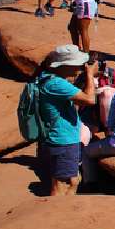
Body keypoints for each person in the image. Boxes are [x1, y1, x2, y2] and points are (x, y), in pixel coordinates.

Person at [34, 45, 97, 196]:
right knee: (63, 183)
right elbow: (90, 99)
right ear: (63, 66)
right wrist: (90, 74)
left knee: (72, 180)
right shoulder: (57, 84)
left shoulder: (49, 79)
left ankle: (62, 207)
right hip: (63, 139)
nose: (79, 67)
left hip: (60, 137)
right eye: (76, 64)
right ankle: (56, 208)